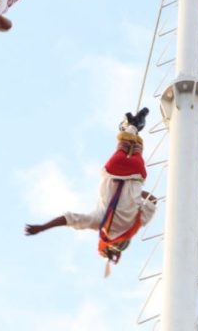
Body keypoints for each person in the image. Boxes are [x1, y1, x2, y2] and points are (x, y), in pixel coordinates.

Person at [25, 108, 158, 265]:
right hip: (114, 170)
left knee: (136, 147)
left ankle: (134, 126)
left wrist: (135, 194)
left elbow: (152, 200)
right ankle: (130, 127)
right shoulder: (99, 222)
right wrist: (42, 227)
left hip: (136, 174)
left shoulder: (137, 222)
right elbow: (68, 219)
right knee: (123, 144)